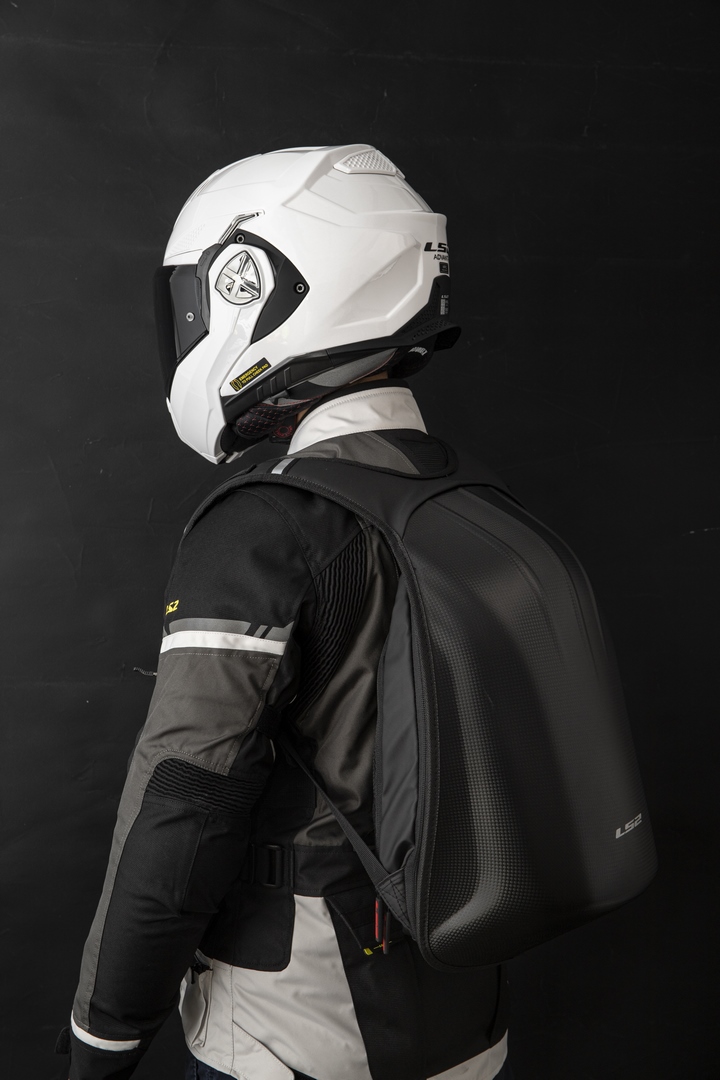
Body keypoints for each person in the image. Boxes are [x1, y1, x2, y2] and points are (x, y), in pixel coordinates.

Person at [59, 145, 514, 1080]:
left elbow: (184, 801)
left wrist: (104, 1031)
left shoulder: (270, 526)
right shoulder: (477, 502)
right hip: (472, 1012)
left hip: (298, 1030)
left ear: (254, 283)